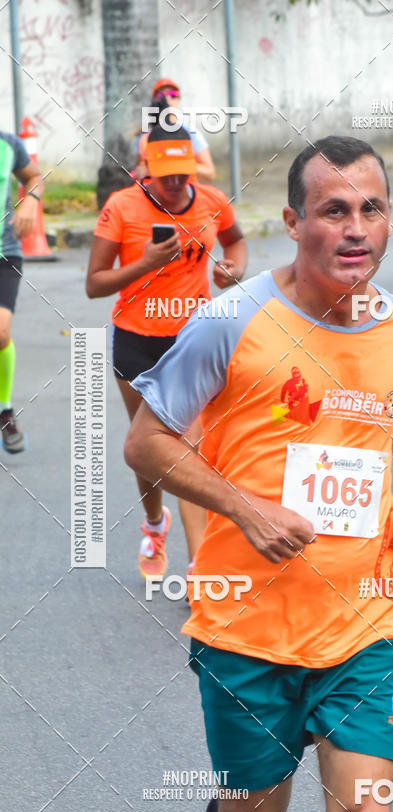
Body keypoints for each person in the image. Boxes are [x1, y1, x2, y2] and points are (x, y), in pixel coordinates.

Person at [124, 135, 393, 812]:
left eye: (371, 208)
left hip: (367, 616)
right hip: (247, 624)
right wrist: (246, 506)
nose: (356, 228)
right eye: (333, 210)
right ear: (295, 220)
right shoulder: (231, 321)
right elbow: (147, 441)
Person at [86, 123, 247, 578]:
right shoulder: (122, 207)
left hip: (193, 339)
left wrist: (234, 268)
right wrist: (145, 264)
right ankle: (155, 523)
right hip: (135, 340)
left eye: (184, 173)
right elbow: (94, 284)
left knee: (189, 448)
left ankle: (200, 566)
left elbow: (235, 240)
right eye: (167, 175)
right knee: (148, 450)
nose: (177, 184)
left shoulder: (212, 200)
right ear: (146, 170)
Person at [0, 130, 45, 454]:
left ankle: (4, 410)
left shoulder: (8, 143)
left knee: (1, 333)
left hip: (5, 251)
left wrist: (31, 199)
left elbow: (34, 177)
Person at [135, 78, 216, 182]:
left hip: (185, 194)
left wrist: (180, 164)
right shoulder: (143, 138)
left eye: (173, 94)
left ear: (178, 100)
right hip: (154, 195)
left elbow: (210, 173)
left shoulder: (191, 134)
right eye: (162, 95)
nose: (168, 98)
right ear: (154, 101)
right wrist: (140, 172)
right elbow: (139, 170)